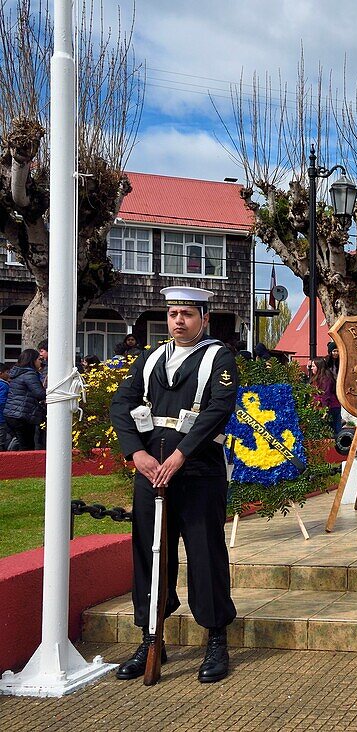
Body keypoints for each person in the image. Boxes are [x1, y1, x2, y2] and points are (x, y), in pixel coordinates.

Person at [109, 286, 239, 684]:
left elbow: (218, 409)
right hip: (151, 472)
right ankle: (152, 638)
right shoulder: (149, 359)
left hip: (197, 471)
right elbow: (121, 405)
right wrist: (137, 454)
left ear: (204, 318)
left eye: (186, 313)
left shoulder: (219, 357)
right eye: (172, 313)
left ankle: (215, 638)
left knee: (205, 553)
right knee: (150, 556)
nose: (178, 320)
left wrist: (180, 455)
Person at [3, 349, 46, 451]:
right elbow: (39, 394)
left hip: (11, 413)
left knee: (21, 441)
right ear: (32, 360)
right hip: (23, 415)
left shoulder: (17, 373)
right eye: (39, 359)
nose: (40, 362)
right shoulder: (29, 374)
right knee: (27, 446)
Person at [309, 357, 341, 437]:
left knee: (334, 432)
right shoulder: (316, 378)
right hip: (320, 407)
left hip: (331, 407)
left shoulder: (326, 379)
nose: (311, 368)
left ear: (319, 367)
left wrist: (324, 410)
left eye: (313, 366)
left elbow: (325, 395)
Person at [0, 362, 12, 451]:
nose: (9, 374)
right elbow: (3, 401)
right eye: (7, 372)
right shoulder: (4, 385)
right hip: (2, 418)